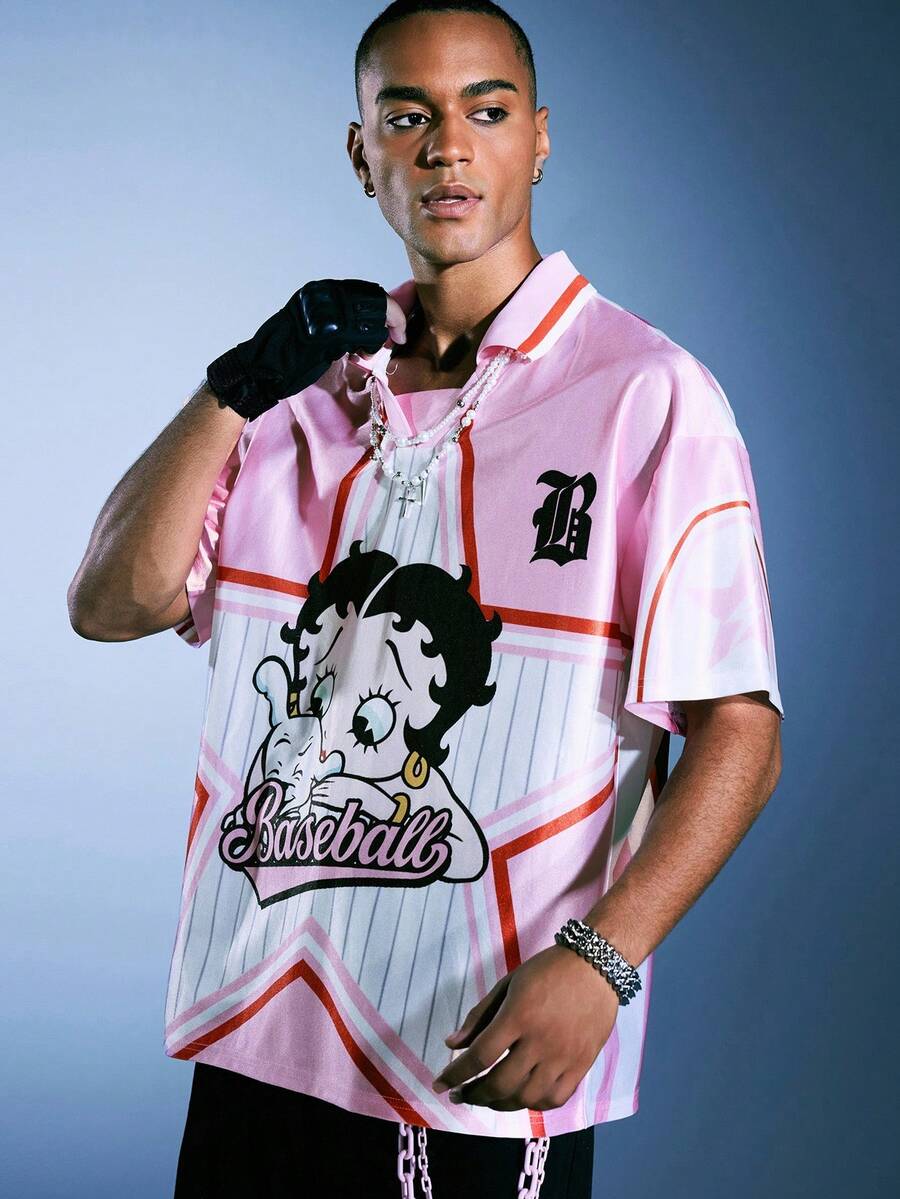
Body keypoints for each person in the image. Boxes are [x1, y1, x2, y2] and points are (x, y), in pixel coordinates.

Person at [67, 1, 785, 1195]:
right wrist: (237, 384)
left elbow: (741, 733)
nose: (448, 146)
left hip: (468, 1060)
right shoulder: (295, 392)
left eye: (485, 111)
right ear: (363, 154)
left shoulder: (649, 395)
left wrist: (603, 959)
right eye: (408, 117)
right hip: (253, 1031)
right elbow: (111, 601)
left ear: (538, 138)